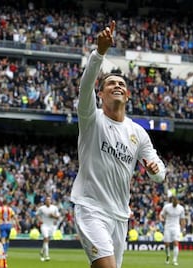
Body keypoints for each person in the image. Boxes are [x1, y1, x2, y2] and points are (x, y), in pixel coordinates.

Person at [70, 20, 166, 268]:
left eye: (121, 84)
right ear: (100, 94)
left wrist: (156, 172)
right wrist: (99, 53)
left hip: (120, 216)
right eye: (110, 83)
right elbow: (84, 89)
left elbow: (159, 173)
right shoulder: (91, 119)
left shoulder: (138, 133)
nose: (117, 85)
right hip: (91, 208)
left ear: (128, 95)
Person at [159, 196, 186, 266]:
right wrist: (161, 219)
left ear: (178, 201)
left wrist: (183, 229)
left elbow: (182, 219)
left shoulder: (181, 208)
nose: (176, 202)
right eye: (174, 201)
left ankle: (175, 260)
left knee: (176, 243)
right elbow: (161, 215)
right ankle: (168, 256)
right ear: (172, 201)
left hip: (176, 227)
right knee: (167, 244)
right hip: (167, 226)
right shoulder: (167, 207)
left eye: (177, 201)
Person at [36, 196, 61, 261]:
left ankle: (42, 251)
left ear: (51, 201)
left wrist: (53, 216)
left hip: (51, 226)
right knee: (46, 238)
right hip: (44, 225)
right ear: (45, 201)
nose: (48, 201)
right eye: (47, 200)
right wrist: (40, 220)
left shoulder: (54, 208)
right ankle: (47, 256)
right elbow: (37, 215)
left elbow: (58, 217)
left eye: (49, 200)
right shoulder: (41, 208)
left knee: (47, 240)